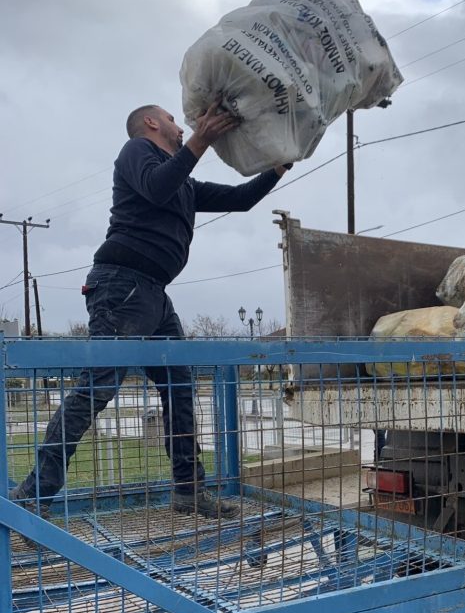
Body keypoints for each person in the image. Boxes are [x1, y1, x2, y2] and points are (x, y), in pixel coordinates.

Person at [11, 102, 291, 523]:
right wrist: (201, 140)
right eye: (173, 120)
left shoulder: (185, 183)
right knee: (98, 388)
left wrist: (280, 167)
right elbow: (157, 187)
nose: (180, 126)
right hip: (121, 286)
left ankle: (188, 490)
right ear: (151, 122)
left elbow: (241, 199)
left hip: (154, 294)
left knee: (179, 387)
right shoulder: (136, 152)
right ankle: (34, 495)